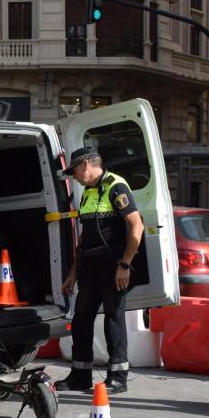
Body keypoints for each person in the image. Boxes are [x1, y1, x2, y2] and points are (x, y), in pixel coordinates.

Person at [54, 147, 145, 394]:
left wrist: (125, 265)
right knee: (82, 321)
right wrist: (73, 272)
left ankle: (118, 377)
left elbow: (137, 226)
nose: (73, 176)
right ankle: (80, 376)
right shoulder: (86, 193)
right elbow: (84, 238)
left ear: (85, 165)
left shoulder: (116, 186)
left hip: (112, 266)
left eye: (74, 171)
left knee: (113, 320)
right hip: (89, 267)